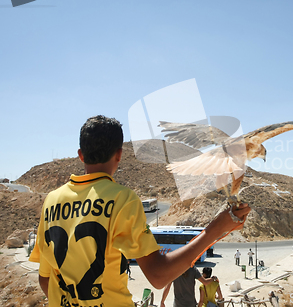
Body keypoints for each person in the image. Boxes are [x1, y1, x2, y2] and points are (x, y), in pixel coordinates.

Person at [28, 115, 251, 307]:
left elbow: (45, 280)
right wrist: (216, 229)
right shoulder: (122, 199)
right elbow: (158, 275)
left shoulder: (51, 201)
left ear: (80, 154)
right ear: (119, 155)